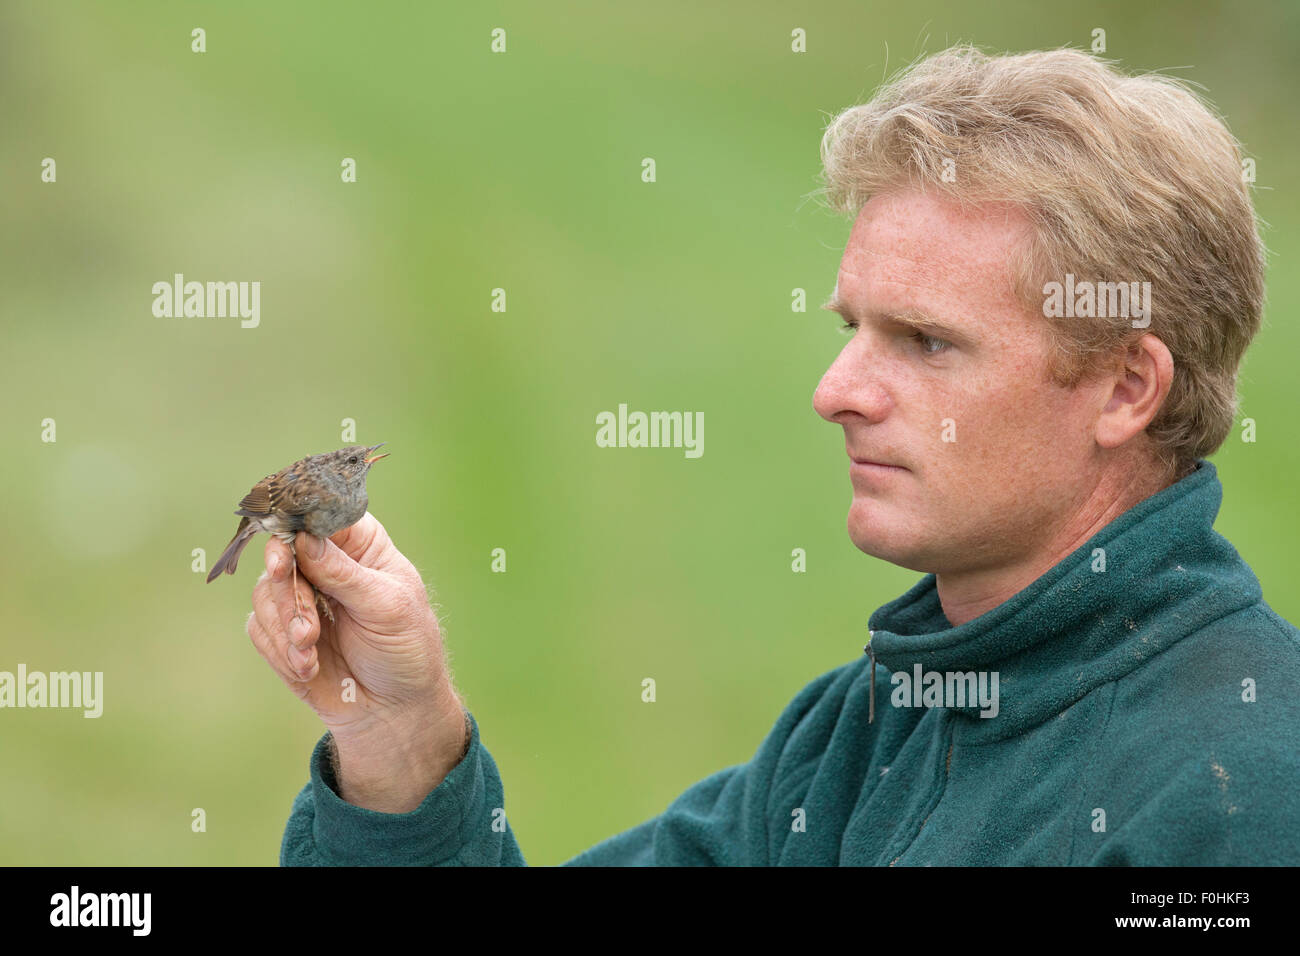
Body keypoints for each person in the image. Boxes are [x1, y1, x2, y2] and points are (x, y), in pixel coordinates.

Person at [249, 45, 1300, 865]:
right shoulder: (862, 731)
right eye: (853, 329)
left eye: (926, 340)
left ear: (1126, 386)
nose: (835, 391)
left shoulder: (1243, 784)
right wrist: (399, 729)